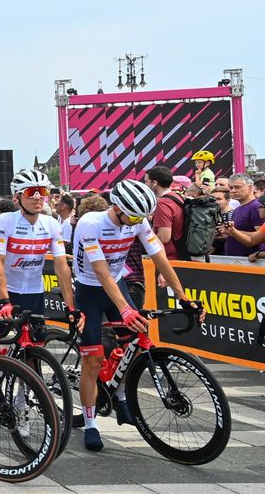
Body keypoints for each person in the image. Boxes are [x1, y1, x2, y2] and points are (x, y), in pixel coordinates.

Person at [72, 180, 204, 452]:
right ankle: (90, 422)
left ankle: (120, 394)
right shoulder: (90, 223)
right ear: (117, 207)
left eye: (141, 218)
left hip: (117, 283)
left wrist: (183, 297)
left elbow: (161, 260)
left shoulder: (137, 221)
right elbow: (100, 271)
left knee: (134, 343)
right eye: (132, 216)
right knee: (93, 360)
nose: (136, 222)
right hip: (89, 288)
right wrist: (125, 308)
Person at [0, 169, 79, 354]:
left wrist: (70, 307)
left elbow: (61, 266)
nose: (38, 198)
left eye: (42, 192)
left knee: (35, 350)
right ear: (17, 198)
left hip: (33, 293)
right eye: (31, 192)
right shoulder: (5, 221)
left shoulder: (51, 223)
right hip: (4, 291)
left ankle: (28, 379)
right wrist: (5, 301)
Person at [220, 174, 263, 259]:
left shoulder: (256, 207)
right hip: (234, 259)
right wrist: (226, 234)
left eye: (237, 187)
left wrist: (233, 231)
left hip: (249, 261)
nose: (233, 191)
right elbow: (238, 233)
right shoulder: (237, 209)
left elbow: (261, 237)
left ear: (250, 188)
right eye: (231, 188)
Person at [145, 166, 183, 260]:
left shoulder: (163, 202)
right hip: (177, 255)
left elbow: (164, 237)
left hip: (168, 258)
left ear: (154, 183)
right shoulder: (177, 197)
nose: (145, 185)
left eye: (146, 181)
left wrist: (143, 241)